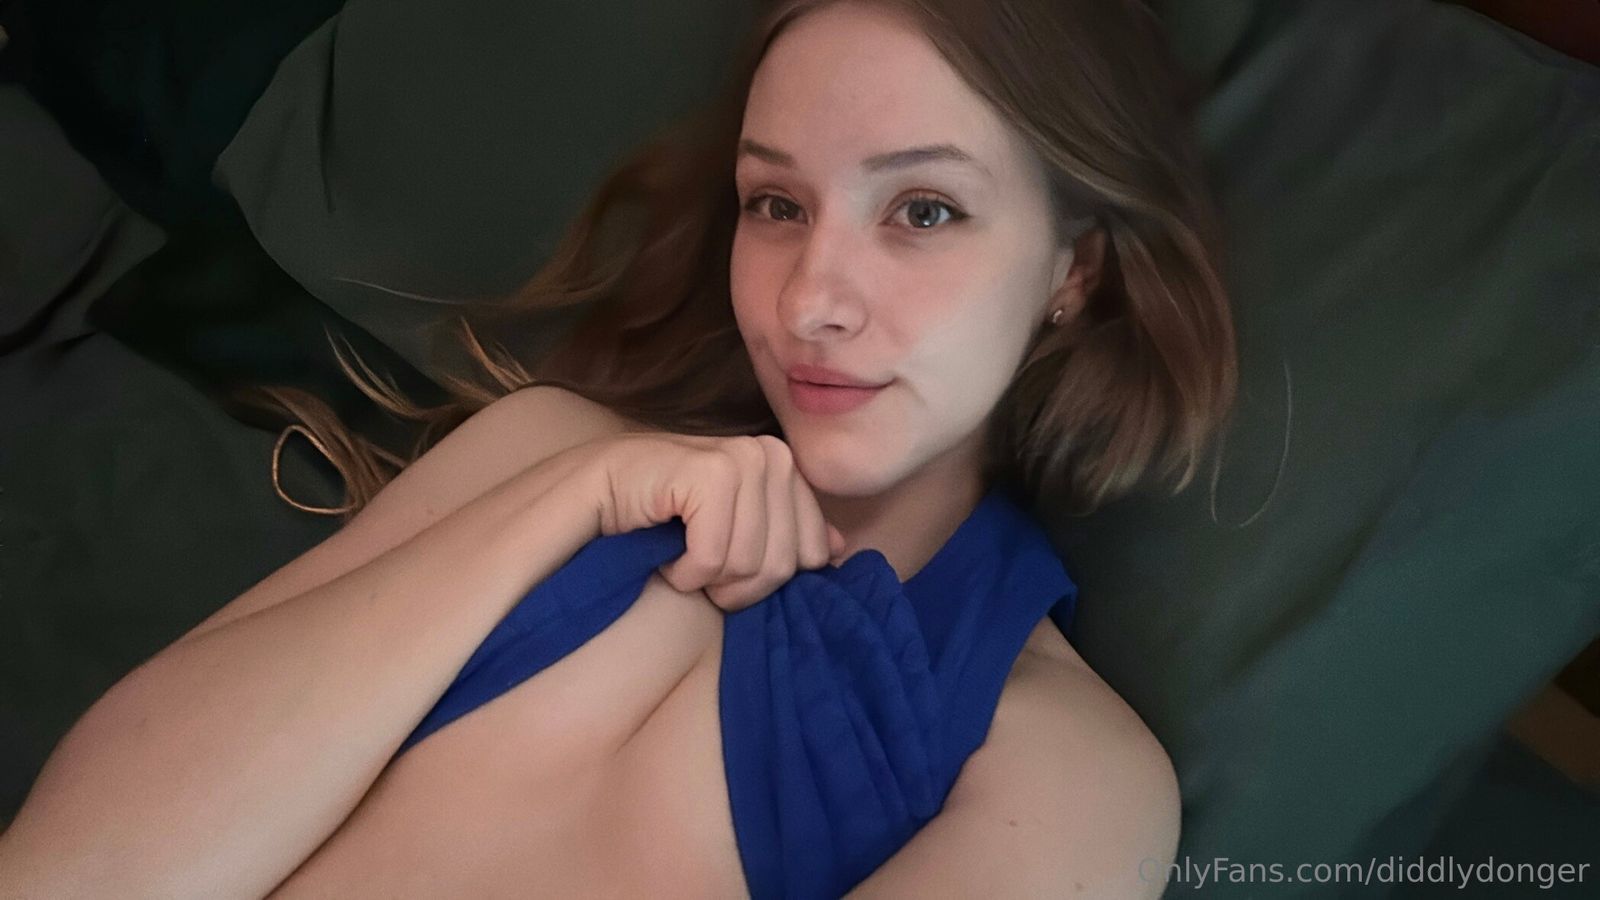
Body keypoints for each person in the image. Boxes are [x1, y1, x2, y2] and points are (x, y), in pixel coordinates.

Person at [0, 0, 1237, 895]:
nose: (809, 299)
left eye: (923, 210)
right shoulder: (548, 450)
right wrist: (570, 494)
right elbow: (65, 873)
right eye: (776, 204)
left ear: (1073, 269)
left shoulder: (1063, 771)